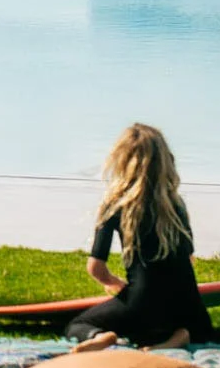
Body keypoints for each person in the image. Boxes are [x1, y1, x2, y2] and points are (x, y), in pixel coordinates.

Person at [66, 123, 212, 352]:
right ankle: (179, 337)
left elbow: (96, 267)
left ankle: (101, 336)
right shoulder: (176, 204)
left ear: (122, 160)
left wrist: (117, 285)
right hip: (189, 308)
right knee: (196, 329)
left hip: (142, 303)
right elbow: (189, 258)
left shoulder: (115, 203)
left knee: (78, 324)